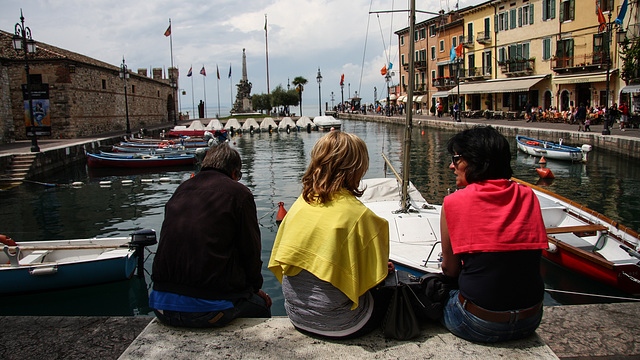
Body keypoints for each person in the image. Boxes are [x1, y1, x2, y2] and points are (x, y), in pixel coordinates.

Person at [269, 131, 390, 339]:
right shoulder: (359, 216)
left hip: (296, 316)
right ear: (356, 168)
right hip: (341, 324)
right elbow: (374, 280)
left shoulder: (301, 203)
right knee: (392, 290)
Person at [440, 126, 548, 343]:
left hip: (478, 323)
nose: (452, 165)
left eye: (456, 158)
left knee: (433, 297)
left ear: (475, 161)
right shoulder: (528, 195)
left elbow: (450, 269)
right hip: (531, 318)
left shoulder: (453, 202)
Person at [149, 142, 272, 328]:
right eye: (238, 176)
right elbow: (251, 252)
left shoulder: (181, 190)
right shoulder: (239, 194)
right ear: (233, 173)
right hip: (210, 311)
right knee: (262, 307)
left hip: (161, 307)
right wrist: (254, 289)